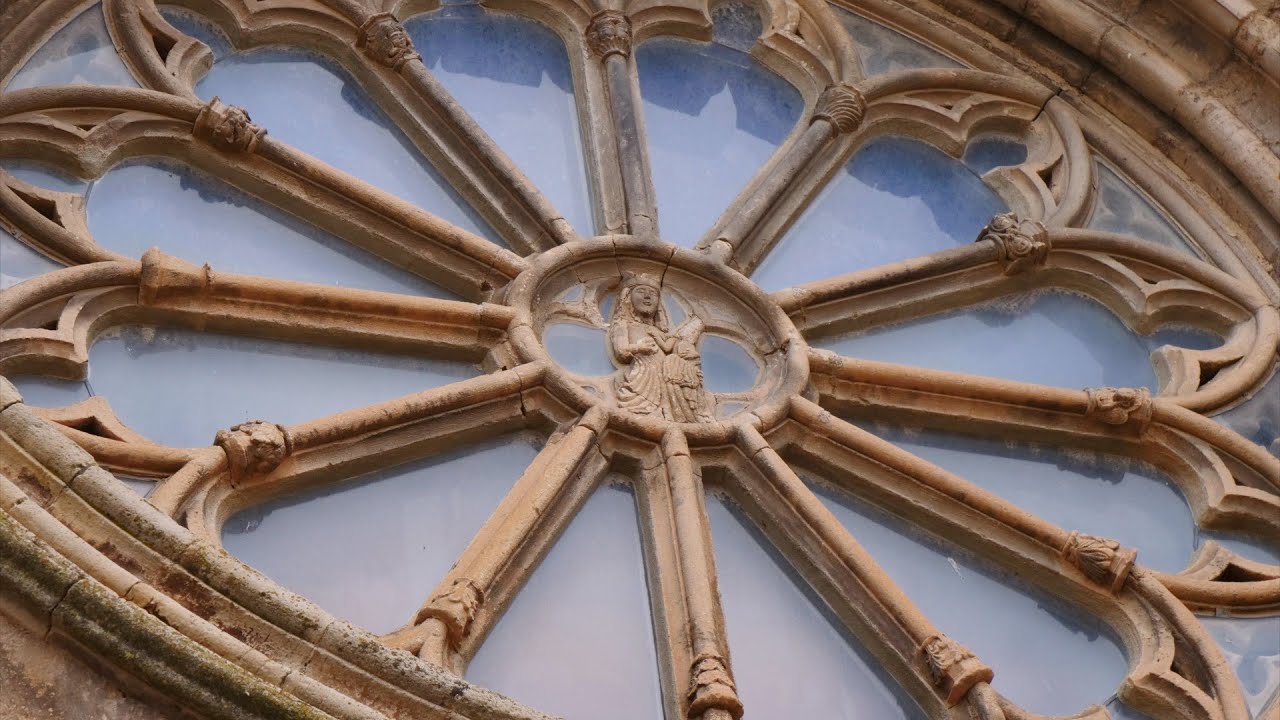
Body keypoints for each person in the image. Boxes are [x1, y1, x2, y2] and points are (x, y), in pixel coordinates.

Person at [608, 273, 714, 422]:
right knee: (642, 409)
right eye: (640, 291)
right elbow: (621, 351)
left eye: (652, 294)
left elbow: (671, 347)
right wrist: (639, 347)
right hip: (644, 373)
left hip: (666, 376)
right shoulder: (622, 324)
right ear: (627, 297)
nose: (647, 296)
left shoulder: (658, 331)